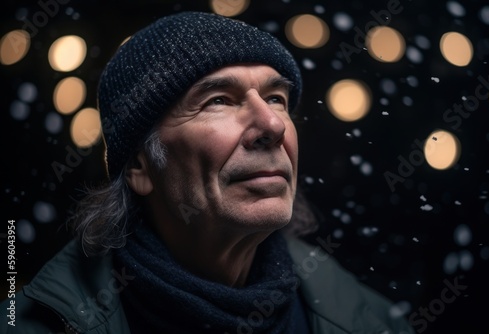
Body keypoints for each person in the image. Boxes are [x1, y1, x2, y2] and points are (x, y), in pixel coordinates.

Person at [1, 11, 414, 334]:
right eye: (218, 100)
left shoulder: (371, 319)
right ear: (140, 165)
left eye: (276, 98)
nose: (271, 125)